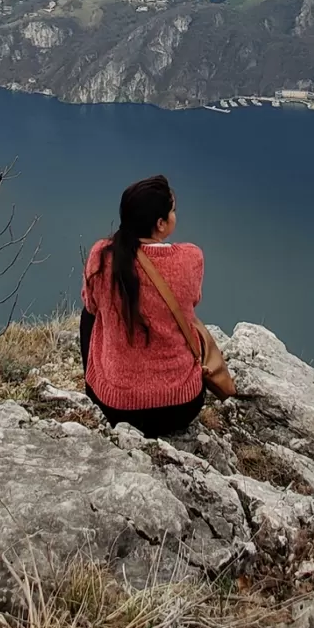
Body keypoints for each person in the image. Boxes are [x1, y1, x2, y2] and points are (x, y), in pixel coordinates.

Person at [80, 173, 206, 436]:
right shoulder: (190, 258)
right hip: (180, 406)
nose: (175, 215)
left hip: (115, 407)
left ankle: (96, 379)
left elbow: (91, 304)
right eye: (173, 211)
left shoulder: (102, 257)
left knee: (90, 314)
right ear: (160, 224)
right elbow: (192, 301)